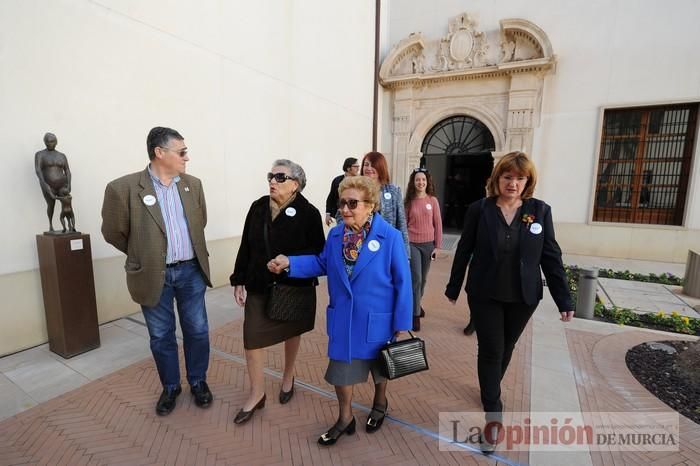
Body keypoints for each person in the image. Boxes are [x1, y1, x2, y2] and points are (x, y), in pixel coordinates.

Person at [444, 151, 574, 454]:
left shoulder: (539, 211)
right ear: (497, 179)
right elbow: (464, 249)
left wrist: (563, 299)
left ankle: (490, 388)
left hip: (523, 297)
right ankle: (493, 415)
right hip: (485, 293)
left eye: (519, 177)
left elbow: (551, 257)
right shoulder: (480, 209)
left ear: (527, 181)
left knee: (506, 349)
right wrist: (453, 286)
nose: (512, 182)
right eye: (507, 176)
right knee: (491, 351)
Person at [267, 176, 412, 446]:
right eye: (342, 202)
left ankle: (380, 402)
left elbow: (403, 283)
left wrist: (402, 321)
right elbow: (322, 263)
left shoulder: (389, 237)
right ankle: (345, 418)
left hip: (378, 320)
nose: (344, 209)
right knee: (341, 372)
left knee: (380, 369)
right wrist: (290, 263)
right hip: (344, 319)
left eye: (352, 203)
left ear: (370, 206)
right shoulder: (336, 235)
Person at [101, 126, 213, 416]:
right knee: (161, 336)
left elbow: (199, 222)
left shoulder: (193, 185)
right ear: (159, 153)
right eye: (182, 151)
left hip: (190, 272)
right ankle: (171, 387)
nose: (187, 157)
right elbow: (113, 232)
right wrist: (144, 254)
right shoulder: (122, 188)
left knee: (198, 330)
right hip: (152, 275)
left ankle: (198, 381)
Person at [230, 159, 325, 424]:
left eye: (280, 177)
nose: (272, 180)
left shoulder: (309, 213)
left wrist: (290, 262)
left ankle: (288, 376)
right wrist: (238, 279)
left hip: (293, 286)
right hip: (259, 282)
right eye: (271, 176)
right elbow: (245, 245)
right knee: (252, 338)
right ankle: (257, 393)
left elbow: (319, 253)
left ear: (296, 184)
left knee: (291, 333)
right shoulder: (258, 207)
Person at [404, 168, 442, 331]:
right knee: (417, 278)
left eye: (423, 180)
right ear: (413, 182)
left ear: (427, 182)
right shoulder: (409, 202)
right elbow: (404, 226)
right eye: (418, 180)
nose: (421, 182)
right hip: (413, 244)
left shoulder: (432, 201)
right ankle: (415, 315)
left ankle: (416, 303)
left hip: (428, 245)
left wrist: (438, 246)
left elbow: (438, 224)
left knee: (424, 279)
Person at [360, 151, 410, 258]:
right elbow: (341, 214)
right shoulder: (355, 189)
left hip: (386, 245)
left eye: (373, 165)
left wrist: (405, 256)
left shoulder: (393, 191)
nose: (369, 168)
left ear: (381, 167)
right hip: (361, 246)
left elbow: (401, 223)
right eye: (366, 164)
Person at [35, 132, 71, 233]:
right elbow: (38, 170)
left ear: (56, 142)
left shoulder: (62, 156)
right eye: (47, 141)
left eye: (52, 141)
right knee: (51, 204)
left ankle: (70, 226)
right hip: (48, 184)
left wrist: (69, 184)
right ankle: (50, 225)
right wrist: (44, 184)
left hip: (62, 184)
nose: (50, 143)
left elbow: (67, 170)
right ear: (45, 142)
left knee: (67, 203)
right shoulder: (40, 154)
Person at [324, 157, 360, 226]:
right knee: (343, 232)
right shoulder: (337, 180)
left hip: (357, 214)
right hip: (341, 214)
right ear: (348, 168)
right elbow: (331, 197)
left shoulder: (360, 181)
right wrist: (328, 214)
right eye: (356, 166)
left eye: (358, 166)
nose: (358, 168)